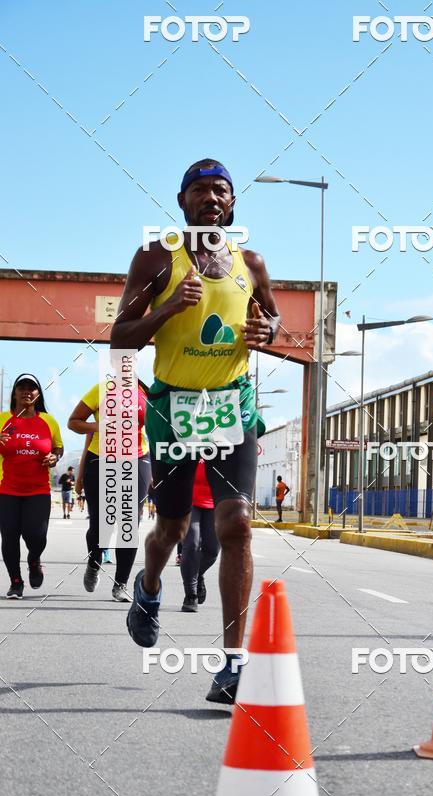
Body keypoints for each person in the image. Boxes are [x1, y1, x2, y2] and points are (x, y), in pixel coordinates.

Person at [110, 158, 280, 703]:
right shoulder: (156, 258)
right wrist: (166, 310)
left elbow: (274, 319)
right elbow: (120, 338)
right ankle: (149, 587)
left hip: (232, 405)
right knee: (173, 528)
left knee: (237, 525)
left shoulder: (251, 262)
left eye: (221, 191)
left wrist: (266, 329)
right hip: (173, 408)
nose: (211, 198)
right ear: (182, 200)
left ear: (232, 204)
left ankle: (232, 664)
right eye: (201, 190)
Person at [68, 381, 151, 602]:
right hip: (101, 459)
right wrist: (98, 426)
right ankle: (94, 561)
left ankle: (120, 584)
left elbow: (160, 428)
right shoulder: (101, 389)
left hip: (138, 459)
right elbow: (73, 422)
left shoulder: (146, 394)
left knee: (129, 523)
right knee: (100, 525)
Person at [0, 374, 63, 597]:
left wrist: (55, 457)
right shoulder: (3, 419)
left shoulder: (49, 421)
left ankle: (34, 559)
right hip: (7, 488)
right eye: (22, 387)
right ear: (14, 393)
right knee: (9, 535)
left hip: (38, 490)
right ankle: (16, 582)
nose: (26, 391)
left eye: (31, 388)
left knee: (36, 535)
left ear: (38, 394)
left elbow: (57, 447)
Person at [180, 460, 219, 612]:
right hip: (187, 497)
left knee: (212, 550)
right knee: (192, 544)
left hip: (216, 499)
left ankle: (198, 574)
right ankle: (191, 595)